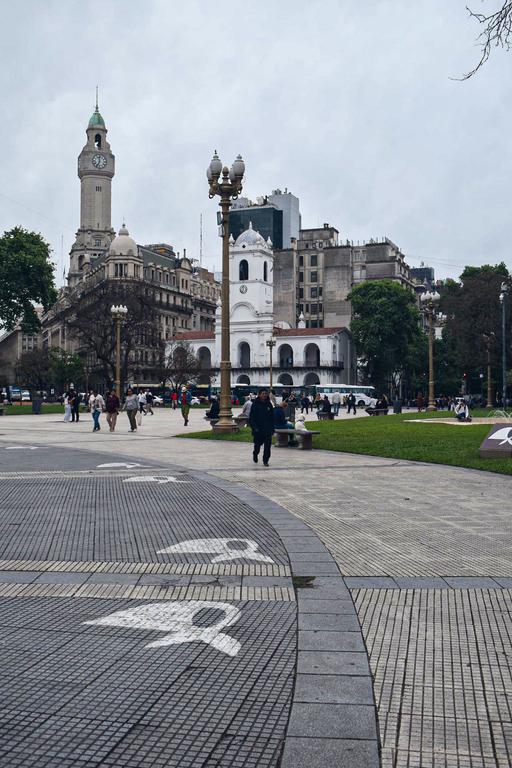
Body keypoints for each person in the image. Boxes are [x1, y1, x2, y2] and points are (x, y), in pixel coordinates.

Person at [249, 388, 275, 466]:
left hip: (267, 429)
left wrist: (272, 428)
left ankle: (265, 460)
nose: (264, 395)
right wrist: (254, 427)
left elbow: (272, 417)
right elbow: (252, 417)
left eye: (266, 393)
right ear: (259, 394)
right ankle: (255, 454)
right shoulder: (255, 404)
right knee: (257, 445)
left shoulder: (269, 404)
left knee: (267, 446)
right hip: (258, 429)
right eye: (263, 393)